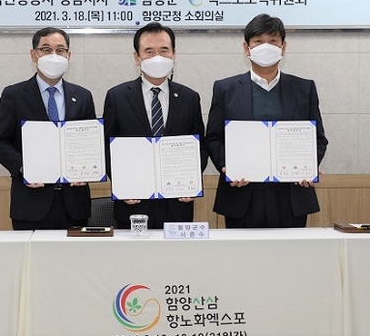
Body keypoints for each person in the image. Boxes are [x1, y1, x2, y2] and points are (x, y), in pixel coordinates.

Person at [205, 14, 328, 228]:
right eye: (258, 41)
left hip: (291, 196)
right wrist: (228, 166)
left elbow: (318, 139)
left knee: (290, 250)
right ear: (246, 48)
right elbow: (214, 138)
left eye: (273, 41)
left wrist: (308, 166)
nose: (266, 47)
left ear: (283, 46)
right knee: (242, 250)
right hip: (241, 195)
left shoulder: (304, 88)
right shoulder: (225, 89)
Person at [0, 27, 96, 230]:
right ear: (34, 55)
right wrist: (24, 168)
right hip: (31, 204)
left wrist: (86, 170)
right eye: (46, 49)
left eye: (60, 50)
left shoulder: (83, 96)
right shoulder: (14, 95)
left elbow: (89, 143)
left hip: (74, 204)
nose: (54, 56)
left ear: (68, 56)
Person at [103, 22, 206, 229]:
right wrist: (122, 185)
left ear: (173, 54)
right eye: (149, 51)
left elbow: (200, 147)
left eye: (164, 50)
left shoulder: (189, 98)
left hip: (178, 205)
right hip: (133, 205)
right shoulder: (117, 97)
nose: (157, 57)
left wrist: (192, 182)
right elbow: (106, 147)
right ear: (137, 57)